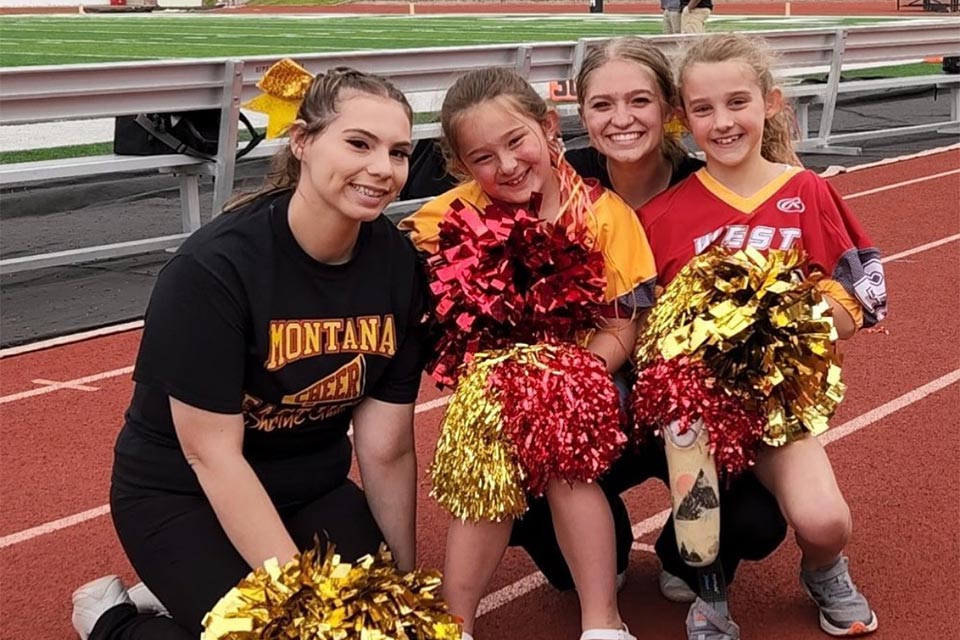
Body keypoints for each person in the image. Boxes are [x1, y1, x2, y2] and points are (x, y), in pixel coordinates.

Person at [69, 66, 428, 640]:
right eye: (359, 143)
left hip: (312, 488)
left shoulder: (399, 268)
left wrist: (407, 593)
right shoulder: (213, 270)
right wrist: (300, 607)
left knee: (387, 631)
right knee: (294, 636)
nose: (383, 169)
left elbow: (385, 450)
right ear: (304, 141)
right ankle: (112, 622)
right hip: (184, 494)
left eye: (399, 151)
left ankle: (192, 593)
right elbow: (213, 457)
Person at [510, 36, 789, 640]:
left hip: (691, 407)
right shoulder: (557, 184)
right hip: (596, 392)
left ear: (669, 109)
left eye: (639, 100)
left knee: (758, 521)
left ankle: (680, 551)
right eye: (601, 105)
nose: (621, 119)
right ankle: (596, 544)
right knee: (529, 508)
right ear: (580, 115)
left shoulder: (713, 186)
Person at [641, 32, 885, 637]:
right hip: (695, 410)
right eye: (703, 109)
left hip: (777, 408)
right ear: (682, 120)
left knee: (824, 519)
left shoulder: (806, 191)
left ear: (770, 103)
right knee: (703, 521)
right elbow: (642, 322)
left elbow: (863, 295)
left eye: (737, 103)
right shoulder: (663, 214)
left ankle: (824, 568)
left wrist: (788, 326)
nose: (722, 122)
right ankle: (710, 593)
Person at [401, 67, 657, 640]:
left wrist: (567, 374)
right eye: (483, 157)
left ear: (546, 126)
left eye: (516, 141)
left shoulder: (604, 214)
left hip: (588, 373)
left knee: (556, 427)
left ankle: (603, 622)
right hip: (493, 386)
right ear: (463, 166)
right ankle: (454, 623)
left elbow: (622, 326)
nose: (508, 165)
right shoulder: (441, 220)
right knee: (489, 445)